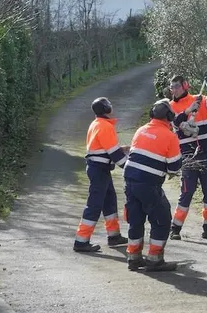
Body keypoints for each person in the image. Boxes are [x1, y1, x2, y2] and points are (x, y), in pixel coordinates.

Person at [122, 99, 182, 272]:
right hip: (148, 184)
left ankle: (133, 258)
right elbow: (174, 167)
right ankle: (155, 260)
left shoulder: (141, 130)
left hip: (130, 180)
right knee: (162, 219)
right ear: (169, 116)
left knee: (135, 219)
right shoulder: (170, 136)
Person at [168, 70, 207, 241]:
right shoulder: (170, 107)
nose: (174, 90)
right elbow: (174, 123)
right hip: (187, 156)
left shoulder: (199, 100)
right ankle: (175, 228)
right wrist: (187, 111)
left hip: (206, 154)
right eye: (172, 87)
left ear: (185, 86)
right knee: (187, 192)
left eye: (177, 86)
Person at [74, 97, 129, 253]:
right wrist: (130, 167)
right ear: (106, 109)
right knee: (94, 204)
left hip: (99, 169)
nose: (112, 107)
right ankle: (81, 241)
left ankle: (114, 236)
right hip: (99, 170)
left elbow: (103, 148)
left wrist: (122, 149)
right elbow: (114, 154)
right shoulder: (105, 126)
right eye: (109, 105)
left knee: (109, 201)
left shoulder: (97, 123)